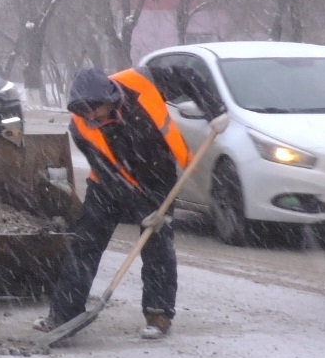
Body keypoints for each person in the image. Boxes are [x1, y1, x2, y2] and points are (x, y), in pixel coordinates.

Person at [36, 65, 225, 340]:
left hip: (158, 177)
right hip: (108, 183)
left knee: (157, 244)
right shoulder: (80, 127)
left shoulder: (143, 81)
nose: (91, 118)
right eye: (84, 113)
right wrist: (142, 208)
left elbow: (188, 75)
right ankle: (64, 315)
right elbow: (111, 173)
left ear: (110, 99)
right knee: (85, 245)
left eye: (95, 111)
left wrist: (215, 111)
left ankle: (158, 314)